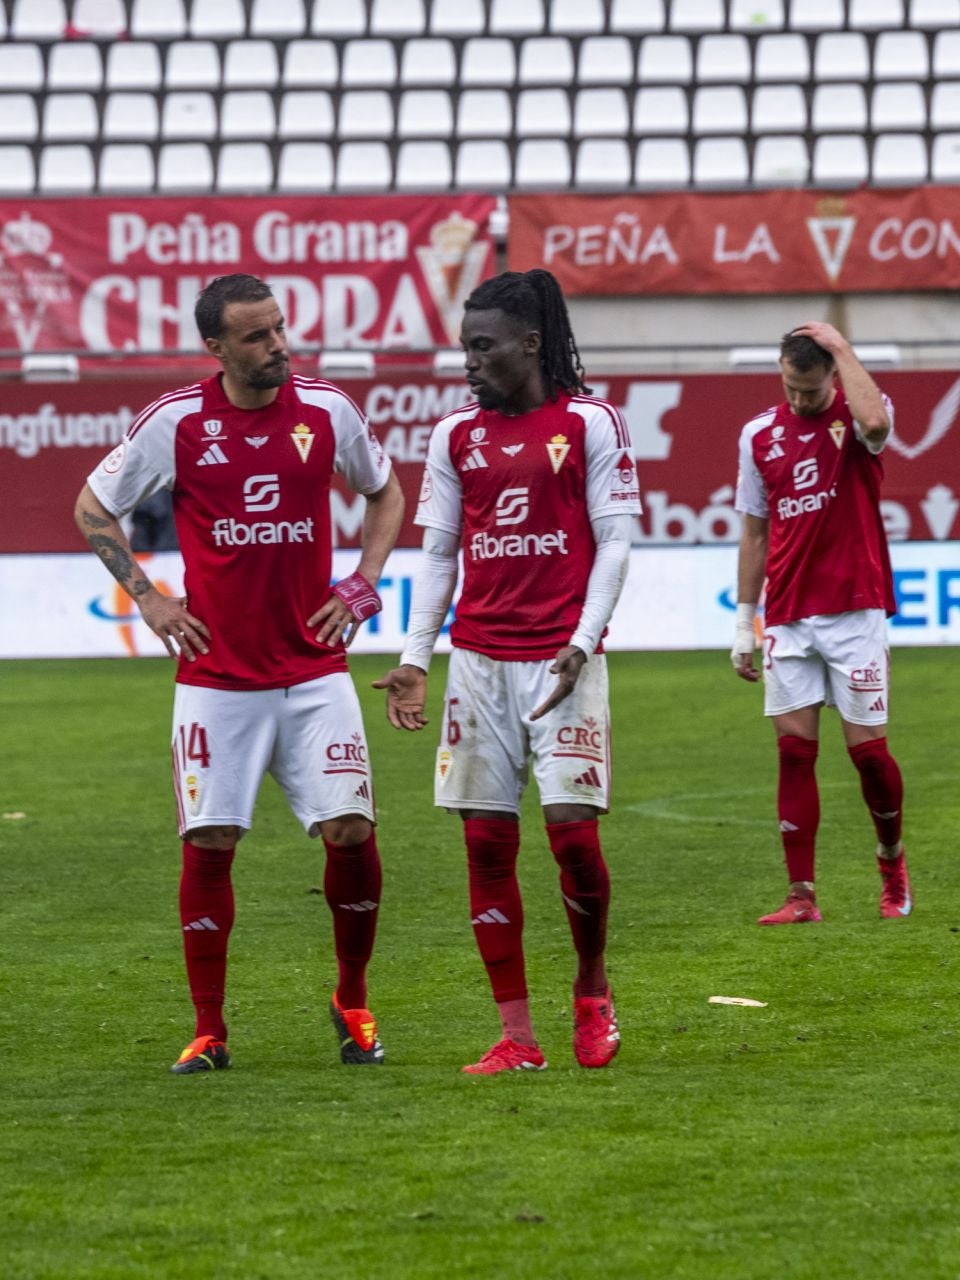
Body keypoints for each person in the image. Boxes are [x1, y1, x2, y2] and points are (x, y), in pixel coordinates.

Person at [72, 273, 405, 1074]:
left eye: (280, 328)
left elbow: (387, 493)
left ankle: (352, 1000)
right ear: (216, 348)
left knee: (352, 831)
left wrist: (362, 584)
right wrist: (148, 597)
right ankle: (209, 1028)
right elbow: (91, 505)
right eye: (256, 337)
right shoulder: (177, 423)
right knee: (210, 841)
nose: (277, 346)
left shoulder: (327, 411)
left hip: (316, 670)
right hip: (216, 679)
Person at [375, 269, 640, 1074]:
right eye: (466, 348)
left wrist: (584, 639)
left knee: (573, 838)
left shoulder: (591, 422)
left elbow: (616, 540)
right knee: (486, 845)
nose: (470, 362)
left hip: (561, 661)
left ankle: (592, 990)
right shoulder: (455, 436)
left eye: (483, 347)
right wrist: (416, 658)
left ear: (530, 344)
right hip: (480, 664)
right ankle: (517, 1037)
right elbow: (439, 554)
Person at [730, 324, 911, 925]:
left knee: (869, 755)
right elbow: (755, 530)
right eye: (790, 387)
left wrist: (843, 348)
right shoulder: (758, 434)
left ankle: (891, 860)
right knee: (793, 753)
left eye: (809, 389)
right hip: (787, 613)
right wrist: (742, 620)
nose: (800, 400)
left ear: (833, 375)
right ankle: (801, 895)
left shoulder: (860, 419)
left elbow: (879, 426)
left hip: (854, 607)